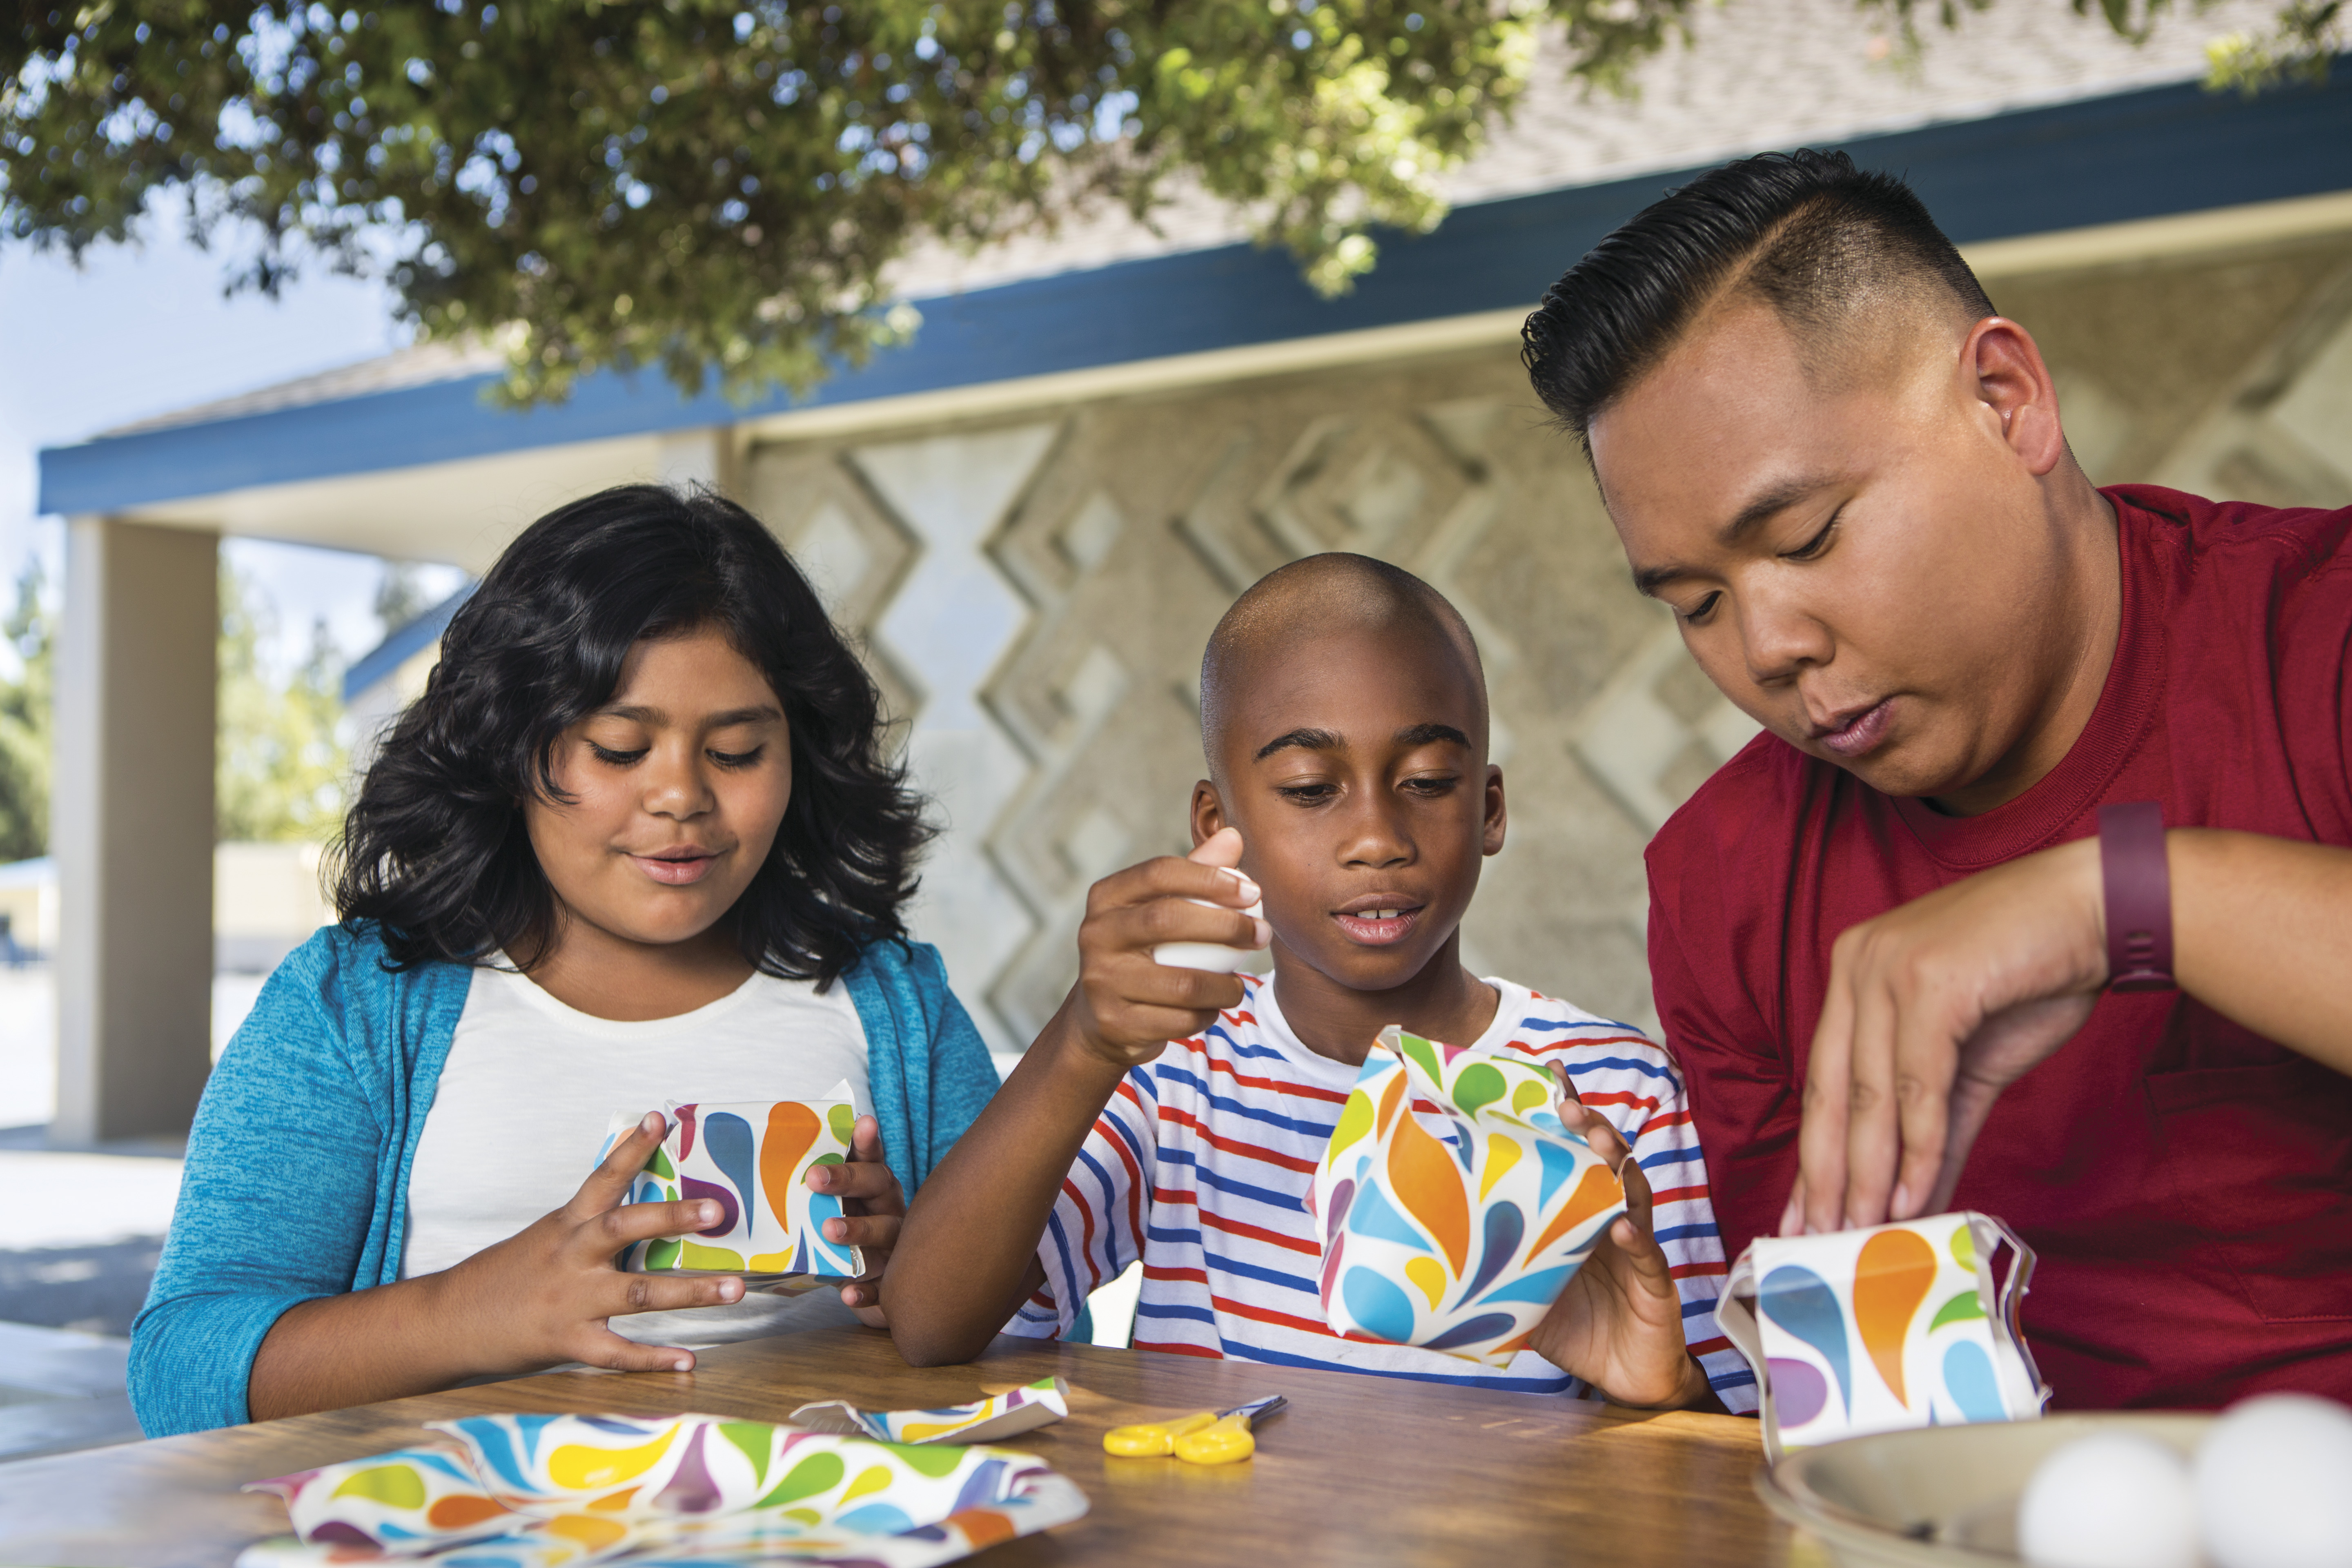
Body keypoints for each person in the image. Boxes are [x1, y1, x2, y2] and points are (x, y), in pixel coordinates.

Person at [1520, 150, 2352, 1408]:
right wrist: (1682, 1393)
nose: (1766, 650)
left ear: (2008, 400)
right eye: (1695, 604)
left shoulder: (2319, 646)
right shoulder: (1726, 882)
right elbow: (1839, 1407)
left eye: (1806, 538)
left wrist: (2120, 902)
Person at [129, 486, 1000, 1437]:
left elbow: (1046, 1330)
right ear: (510, 750)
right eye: (621, 748)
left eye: (740, 752)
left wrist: (922, 1270)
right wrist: (473, 1313)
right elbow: (181, 1369)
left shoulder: (893, 1008)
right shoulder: (356, 1005)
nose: (681, 797)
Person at [885, 553, 1755, 1410]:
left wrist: (1666, 1391)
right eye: (1309, 790)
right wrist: (1082, 1041)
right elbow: (930, 1326)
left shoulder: (1616, 1095)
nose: (1376, 836)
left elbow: (1724, 1443)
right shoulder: (1174, 1079)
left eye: (1427, 783)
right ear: (1218, 824)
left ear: (1489, 809)